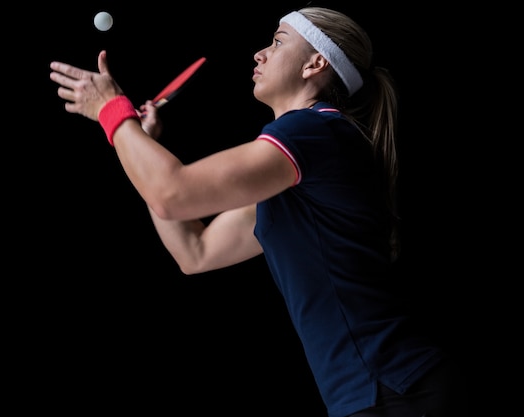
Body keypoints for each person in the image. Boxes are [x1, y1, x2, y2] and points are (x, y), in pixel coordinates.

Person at [49, 6, 468, 417]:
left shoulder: (313, 129)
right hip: (376, 392)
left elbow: (171, 193)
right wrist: (138, 143)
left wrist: (112, 112)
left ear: (314, 64)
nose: (259, 53)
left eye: (278, 42)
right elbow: (195, 251)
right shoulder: (299, 167)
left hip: (395, 387)